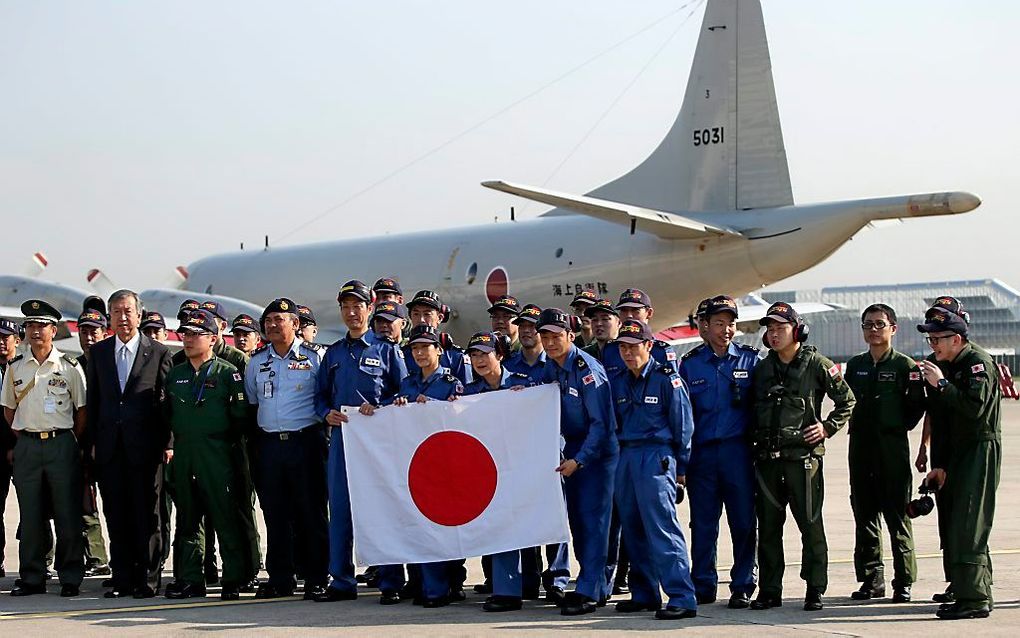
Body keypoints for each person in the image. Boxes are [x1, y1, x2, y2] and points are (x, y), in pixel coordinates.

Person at [750, 302, 854, 611]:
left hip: (803, 461)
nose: (774, 334)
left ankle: (815, 588)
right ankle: (769, 589)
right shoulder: (763, 368)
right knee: (768, 528)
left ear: (797, 331)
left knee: (810, 524)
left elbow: (846, 400)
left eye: (780, 328)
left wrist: (827, 428)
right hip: (768, 461)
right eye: (770, 330)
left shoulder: (818, 364)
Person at [315, 281, 407, 604]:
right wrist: (326, 413)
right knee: (339, 511)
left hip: (379, 444)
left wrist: (381, 409)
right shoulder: (334, 354)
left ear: (370, 308)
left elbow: (403, 392)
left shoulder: (387, 350)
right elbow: (320, 396)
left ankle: (391, 580)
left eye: (358, 306)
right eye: (346, 306)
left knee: (382, 509)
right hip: (343, 440)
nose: (352, 312)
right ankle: (341, 580)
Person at [367, 324, 462, 608]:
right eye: (415, 348)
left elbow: (461, 416)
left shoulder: (450, 382)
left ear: (438, 350)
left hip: (443, 466)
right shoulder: (407, 383)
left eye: (425, 347)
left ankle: (443, 587)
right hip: (416, 466)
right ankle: (423, 584)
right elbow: (388, 409)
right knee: (419, 527)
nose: (420, 353)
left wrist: (433, 405)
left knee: (441, 529)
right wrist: (381, 408)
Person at [86, 290, 173, 599]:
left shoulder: (160, 352)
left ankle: (148, 580)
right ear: (109, 316)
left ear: (139, 314)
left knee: (147, 515)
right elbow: (93, 402)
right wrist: (93, 443)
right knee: (117, 514)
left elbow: (166, 404)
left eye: (127, 312)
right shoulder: (98, 353)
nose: (122, 318)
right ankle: (122, 578)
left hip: (146, 447)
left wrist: (168, 442)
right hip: (110, 448)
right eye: (116, 312)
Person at [162, 310, 254, 601]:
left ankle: (233, 577)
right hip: (185, 452)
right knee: (188, 519)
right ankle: (191, 578)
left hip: (217, 453)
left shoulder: (228, 372)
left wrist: (224, 446)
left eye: (195, 334)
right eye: (185, 334)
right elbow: (167, 416)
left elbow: (240, 417)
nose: (187, 339)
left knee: (223, 515)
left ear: (213, 339)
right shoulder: (176, 373)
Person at [917, 306, 1001, 620]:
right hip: (954, 451)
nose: (934, 345)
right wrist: (938, 464)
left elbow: (973, 411)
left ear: (957, 338)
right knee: (956, 522)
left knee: (969, 523)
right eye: (931, 340)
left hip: (978, 449)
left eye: (938, 339)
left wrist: (941, 384)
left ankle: (975, 599)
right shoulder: (946, 364)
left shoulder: (977, 363)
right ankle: (971, 591)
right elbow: (940, 418)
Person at [610, 320, 697, 620]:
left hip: (656, 458)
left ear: (648, 345)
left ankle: (682, 596)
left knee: (662, 528)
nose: (627, 352)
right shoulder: (619, 380)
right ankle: (644, 593)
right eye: (622, 347)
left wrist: (681, 469)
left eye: (634, 346)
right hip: (627, 457)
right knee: (632, 530)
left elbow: (683, 427)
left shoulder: (666, 380)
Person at [1, 300, 87, 597]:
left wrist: (64, 437)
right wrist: (27, 433)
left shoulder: (69, 367)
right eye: (30, 326)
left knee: (66, 513)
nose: (35, 331)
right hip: (27, 445)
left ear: (54, 330)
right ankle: (32, 576)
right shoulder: (16, 367)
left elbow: (81, 411)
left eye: (41, 326)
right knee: (31, 514)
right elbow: (9, 410)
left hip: (61, 444)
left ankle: (70, 575)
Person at [244, 298, 329, 599]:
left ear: (295, 324)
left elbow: (326, 397)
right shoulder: (257, 361)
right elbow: (253, 401)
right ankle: (280, 577)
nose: (272, 325)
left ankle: (318, 576)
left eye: (279, 319)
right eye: (268, 320)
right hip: (269, 445)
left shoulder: (315, 357)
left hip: (306, 441)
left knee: (312, 511)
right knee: (275, 513)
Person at [678, 295, 758, 608]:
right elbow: (682, 417)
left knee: (742, 521)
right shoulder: (691, 364)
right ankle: (703, 584)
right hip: (702, 457)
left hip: (738, 454)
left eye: (731, 323)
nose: (726, 330)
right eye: (720, 323)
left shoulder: (751, 360)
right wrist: (682, 464)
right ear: (705, 326)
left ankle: (742, 584)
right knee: (703, 524)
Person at [537, 308, 618, 616]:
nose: (551, 342)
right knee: (579, 524)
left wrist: (580, 460)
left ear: (570, 336)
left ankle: (588, 590)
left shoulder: (587, 368)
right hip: (572, 451)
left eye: (556, 336)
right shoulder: (551, 367)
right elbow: (545, 407)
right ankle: (593, 587)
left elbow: (602, 425)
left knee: (595, 524)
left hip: (596, 454)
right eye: (545, 336)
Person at [844, 304, 925, 603]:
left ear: (893, 328)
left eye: (879, 324)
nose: (873, 330)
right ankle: (871, 579)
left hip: (892, 448)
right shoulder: (855, 366)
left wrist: (894, 426)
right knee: (864, 515)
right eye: (868, 325)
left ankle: (903, 582)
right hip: (861, 447)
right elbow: (846, 401)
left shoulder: (906, 367)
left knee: (897, 516)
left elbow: (916, 406)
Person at [460, 331, 535, 612]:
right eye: (474, 355)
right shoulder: (468, 393)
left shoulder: (523, 386)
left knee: (523, 526)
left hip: (520, 465)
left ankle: (526, 587)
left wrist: (526, 399)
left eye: (484, 353)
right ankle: (506, 589)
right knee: (498, 527)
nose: (479, 360)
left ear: (500, 355)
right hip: (487, 469)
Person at [74, 308, 112, 579]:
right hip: (80, 442)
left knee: (114, 502)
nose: (89, 337)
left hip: (110, 442)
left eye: (94, 331)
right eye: (84, 331)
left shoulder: (113, 362)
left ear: (105, 333)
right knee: (84, 503)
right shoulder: (72, 365)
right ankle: (96, 557)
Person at [405, 290, 469, 384]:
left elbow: (469, 395)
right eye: (416, 314)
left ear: (439, 318)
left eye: (427, 314)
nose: (421, 320)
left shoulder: (455, 357)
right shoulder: (403, 354)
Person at [0, 318, 22, 578]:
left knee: (34, 508)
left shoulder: (26, 369)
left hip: (23, 448)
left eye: (6, 336)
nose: (1, 342)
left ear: (17, 340)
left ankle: (37, 563)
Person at [505, 304, 547, 383]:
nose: (526, 330)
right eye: (522, 326)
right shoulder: (506, 366)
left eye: (532, 326)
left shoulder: (554, 364)